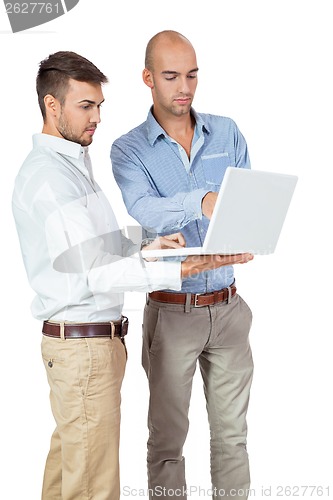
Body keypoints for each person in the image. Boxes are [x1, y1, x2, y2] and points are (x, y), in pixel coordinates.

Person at [11, 51, 252, 500]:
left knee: (70, 477)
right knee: (93, 486)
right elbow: (96, 274)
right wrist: (176, 270)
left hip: (91, 346)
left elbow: (97, 246)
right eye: (86, 106)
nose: (97, 117)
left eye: (100, 105)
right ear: (52, 105)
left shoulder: (71, 166)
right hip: (82, 348)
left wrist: (147, 246)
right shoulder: (50, 178)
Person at [111, 31, 254, 499]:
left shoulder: (227, 131)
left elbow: (248, 203)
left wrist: (249, 228)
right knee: (168, 443)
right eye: (171, 76)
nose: (184, 87)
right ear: (148, 78)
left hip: (230, 308)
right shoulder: (128, 149)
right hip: (173, 313)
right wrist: (205, 200)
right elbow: (146, 210)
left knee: (233, 438)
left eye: (191, 74)